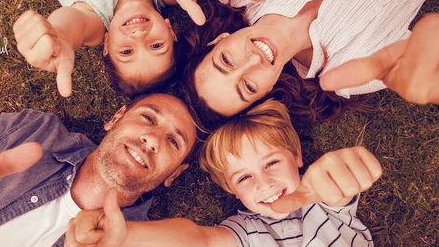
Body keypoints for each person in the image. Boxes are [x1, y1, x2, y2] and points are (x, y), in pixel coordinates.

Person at [0, 93, 198, 247]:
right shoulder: (32, 133)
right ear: (115, 119)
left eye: (173, 141)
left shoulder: (137, 243)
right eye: (147, 118)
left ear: (173, 174)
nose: (152, 140)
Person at [65, 99, 382, 247]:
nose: (265, 183)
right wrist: (130, 235)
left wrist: (340, 171)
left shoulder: (324, 202)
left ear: (297, 154)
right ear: (233, 191)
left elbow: (337, 186)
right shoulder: (247, 230)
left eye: (271, 163)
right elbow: (198, 240)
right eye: (244, 178)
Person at [181, 0, 439, 126]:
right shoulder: (353, 69)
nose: (251, 62)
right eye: (248, 86)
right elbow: (417, 60)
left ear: (219, 39)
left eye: (225, 60)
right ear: (267, 92)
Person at [13, 0, 206, 97]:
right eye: (156, 45)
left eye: (126, 51)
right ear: (170, 31)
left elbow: (73, 24)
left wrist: (60, 34)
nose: (139, 36)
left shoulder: (93, 20)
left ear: (106, 45)